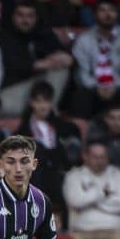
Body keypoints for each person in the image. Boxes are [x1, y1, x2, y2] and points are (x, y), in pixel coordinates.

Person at [16, 81, 83, 228]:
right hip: (35, 176)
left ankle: (65, 229)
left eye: (46, 101)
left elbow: (72, 157)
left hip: (61, 173)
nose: (42, 106)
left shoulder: (66, 128)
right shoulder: (22, 131)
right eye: (38, 101)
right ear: (31, 103)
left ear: (52, 103)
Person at [63, 141, 120, 239]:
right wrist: (103, 194)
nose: (99, 161)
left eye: (103, 157)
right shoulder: (74, 176)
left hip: (113, 231)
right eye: (95, 157)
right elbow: (75, 201)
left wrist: (93, 201)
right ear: (86, 156)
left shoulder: (119, 176)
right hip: (81, 232)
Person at [0, 0, 72, 117]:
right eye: (21, 15)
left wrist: (67, 58)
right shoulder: (4, 36)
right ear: (13, 16)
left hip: (41, 90)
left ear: (36, 18)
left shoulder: (43, 33)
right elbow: (14, 66)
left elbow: (65, 57)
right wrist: (42, 64)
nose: (25, 20)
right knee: (1, 106)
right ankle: (42, 112)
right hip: (13, 91)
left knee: (61, 70)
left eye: (30, 16)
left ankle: (47, 112)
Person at [70, 0, 120, 117]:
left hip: (119, 87)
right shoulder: (83, 40)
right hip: (92, 88)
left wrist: (114, 86)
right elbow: (82, 73)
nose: (107, 14)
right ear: (95, 14)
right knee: (80, 96)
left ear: (118, 13)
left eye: (111, 10)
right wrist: (98, 86)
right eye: (102, 10)